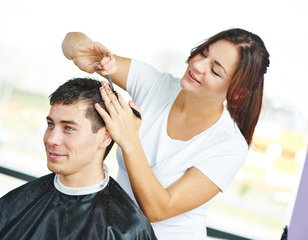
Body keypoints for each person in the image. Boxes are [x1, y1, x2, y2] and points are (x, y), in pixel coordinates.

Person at [61, 28, 270, 239]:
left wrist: (129, 138)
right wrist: (82, 49)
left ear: (237, 91)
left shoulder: (230, 145)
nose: (197, 66)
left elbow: (158, 209)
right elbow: (71, 41)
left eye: (216, 71)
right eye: (204, 53)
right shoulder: (155, 85)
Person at [0, 78, 157, 240]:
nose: (51, 139)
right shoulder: (16, 204)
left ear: (105, 136)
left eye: (69, 128)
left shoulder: (126, 230)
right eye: (50, 124)